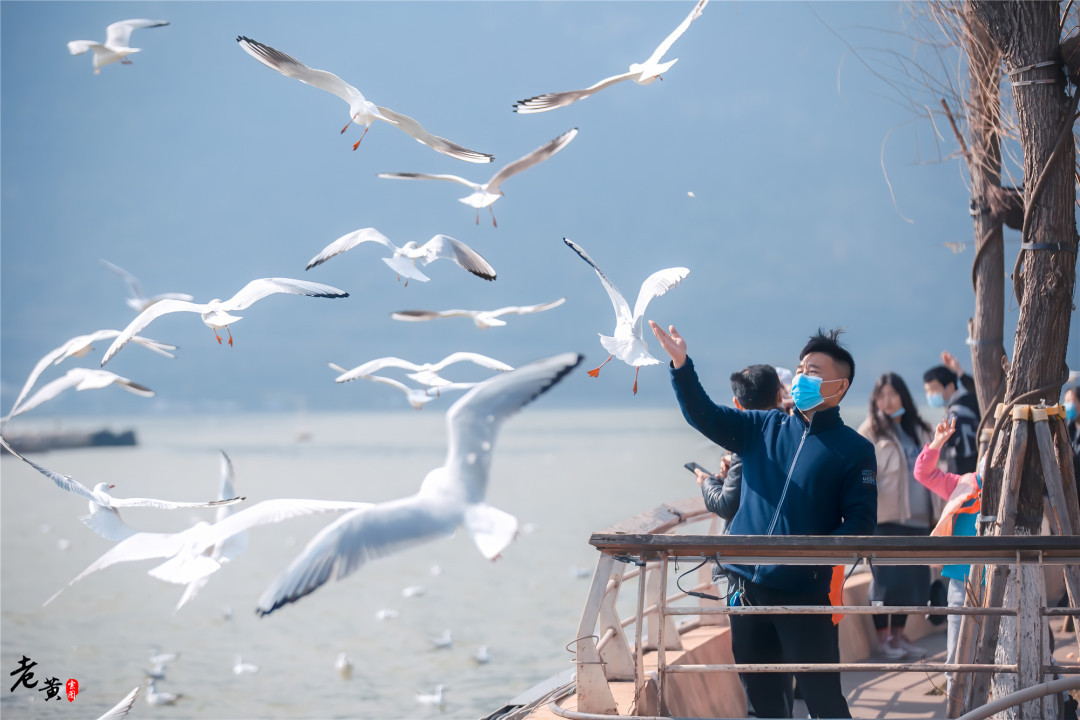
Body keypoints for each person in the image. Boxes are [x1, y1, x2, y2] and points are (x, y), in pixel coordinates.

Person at [651, 321, 877, 720]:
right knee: (763, 707)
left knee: (824, 702)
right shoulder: (763, 427)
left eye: (814, 371)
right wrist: (681, 365)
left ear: (839, 387)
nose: (802, 376)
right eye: (801, 367)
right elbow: (704, 415)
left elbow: (861, 524)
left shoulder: (855, 450)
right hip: (745, 591)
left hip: (804, 596)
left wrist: (810, 559)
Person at [858, 373, 935, 660]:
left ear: (903, 396)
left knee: (910, 581)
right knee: (884, 582)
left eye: (893, 394)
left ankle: (899, 636)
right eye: (882, 395)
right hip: (884, 519)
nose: (888, 401)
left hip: (917, 518)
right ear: (875, 400)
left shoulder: (920, 429)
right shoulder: (870, 432)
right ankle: (883, 640)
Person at [912, 417, 981, 699]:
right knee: (957, 657)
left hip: (1008, 584)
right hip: (960, 583)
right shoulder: (964, 485)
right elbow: (923, 473)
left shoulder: (1020, 492)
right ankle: (958, 710)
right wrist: (937, 443)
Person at [693, 363, 784, 533]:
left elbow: (727, 506)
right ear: (779, 395)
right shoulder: (801, 432)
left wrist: (707, 482)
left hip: (750, 549)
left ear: (737, 404)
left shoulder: (746, 439)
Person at [923, 355, 981, 474]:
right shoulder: (971, 402)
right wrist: (960, 372)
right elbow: (979, 391)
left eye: (933, 390)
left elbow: (942, 451)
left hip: (963, 475)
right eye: (927, 391)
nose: (930, 395)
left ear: (950, 387)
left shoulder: (955, 414)